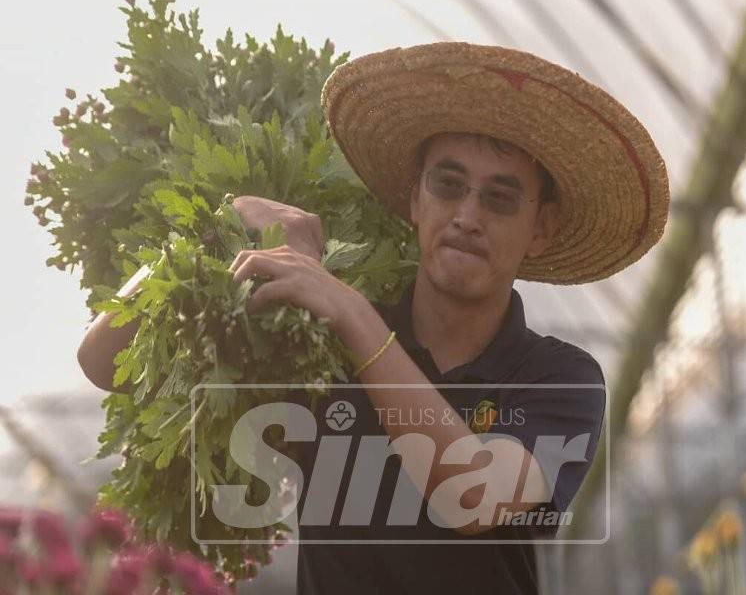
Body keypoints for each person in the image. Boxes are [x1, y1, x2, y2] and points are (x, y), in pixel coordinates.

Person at [78, 41, 669, 594]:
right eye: (448, 184)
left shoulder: (560, 379)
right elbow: (105, 361)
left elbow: (473, 497)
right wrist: (213, 228)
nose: (467, 216)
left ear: (541, 228)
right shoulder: (317, 344)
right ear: (415, 199)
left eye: (500, 197)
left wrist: (350, 312)